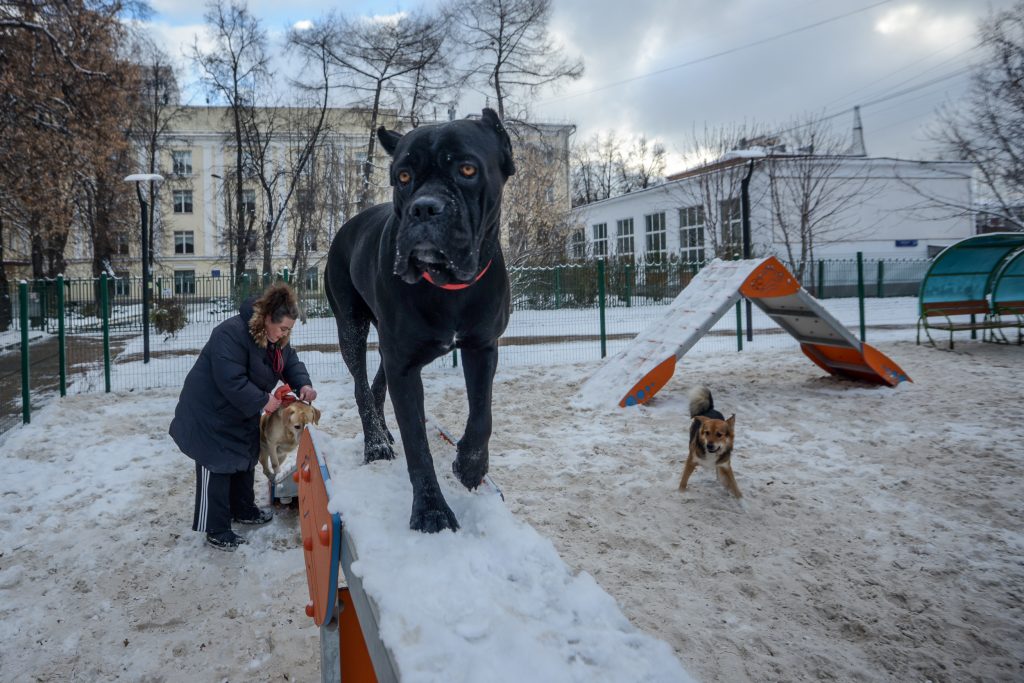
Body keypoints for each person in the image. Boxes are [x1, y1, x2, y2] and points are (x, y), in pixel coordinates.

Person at [169, 283, 317, 551]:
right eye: (283, 328)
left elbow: (289, 362)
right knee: (217, 465)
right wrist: (264, 400)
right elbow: (230, 379)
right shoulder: (231, 333)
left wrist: (302, 384)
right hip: (209, 411)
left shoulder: (276, 339)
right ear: (268, 318)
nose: (286, 334)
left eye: (289, 330)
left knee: (243, 457)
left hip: (238, 409)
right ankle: (216, 527)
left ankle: (243, 509)